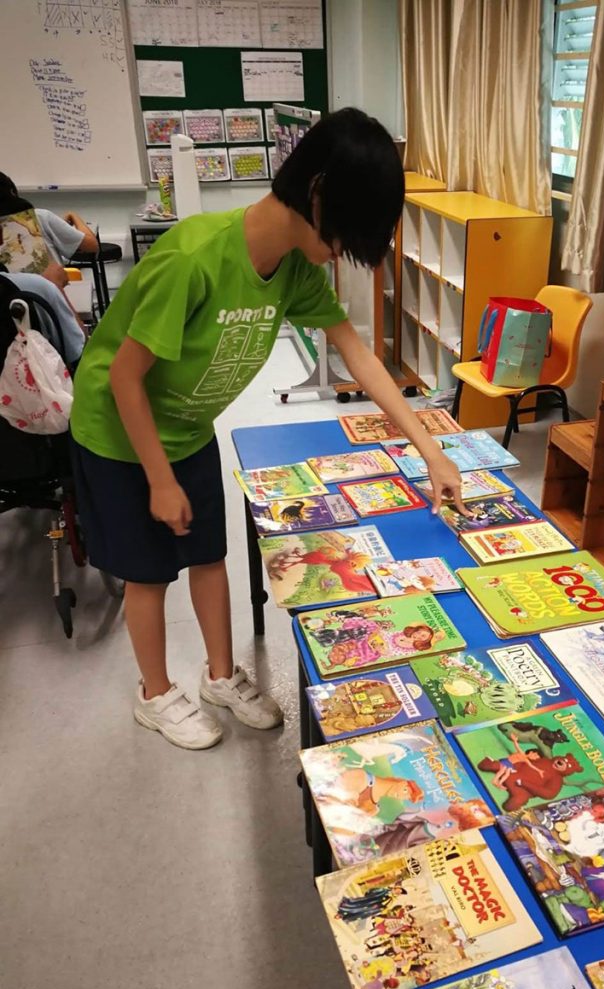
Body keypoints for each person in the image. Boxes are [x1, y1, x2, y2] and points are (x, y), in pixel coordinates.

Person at [69, 108, 467, 751]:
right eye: (346, 233)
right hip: (120, 433)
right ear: (318, 194)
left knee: (209, 555)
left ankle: (220, 676)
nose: (341, 252)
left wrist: (431, 451)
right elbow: (123, 377)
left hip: (189, 426)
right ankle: (154, 694)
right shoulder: (194, 257)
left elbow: (359, 357)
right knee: (150, 571)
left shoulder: (295, 268)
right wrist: (159, 480)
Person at [0, 171, 98, 267]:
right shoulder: (40, 217)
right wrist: (73, 215)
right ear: (12, 192)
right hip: (49, 277)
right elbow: (91, 245)